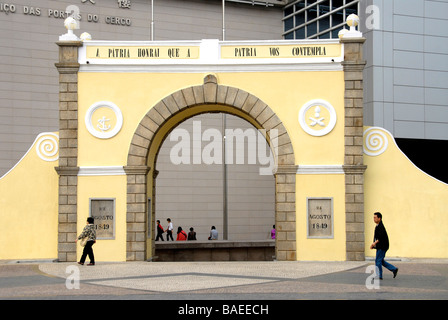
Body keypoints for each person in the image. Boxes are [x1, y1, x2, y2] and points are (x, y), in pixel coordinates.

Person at [370, 212, 398, 280]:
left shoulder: (380, 227)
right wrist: (374, 244)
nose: (374, 219)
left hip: (382, 246)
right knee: (380, 261)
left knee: (378, 261)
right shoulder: (378, 226)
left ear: (379, 218)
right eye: (373, 217)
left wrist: (374, 243)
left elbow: (380, 237)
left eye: (375, 217)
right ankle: (394, 269)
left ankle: (379, 275)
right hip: (381, 246)